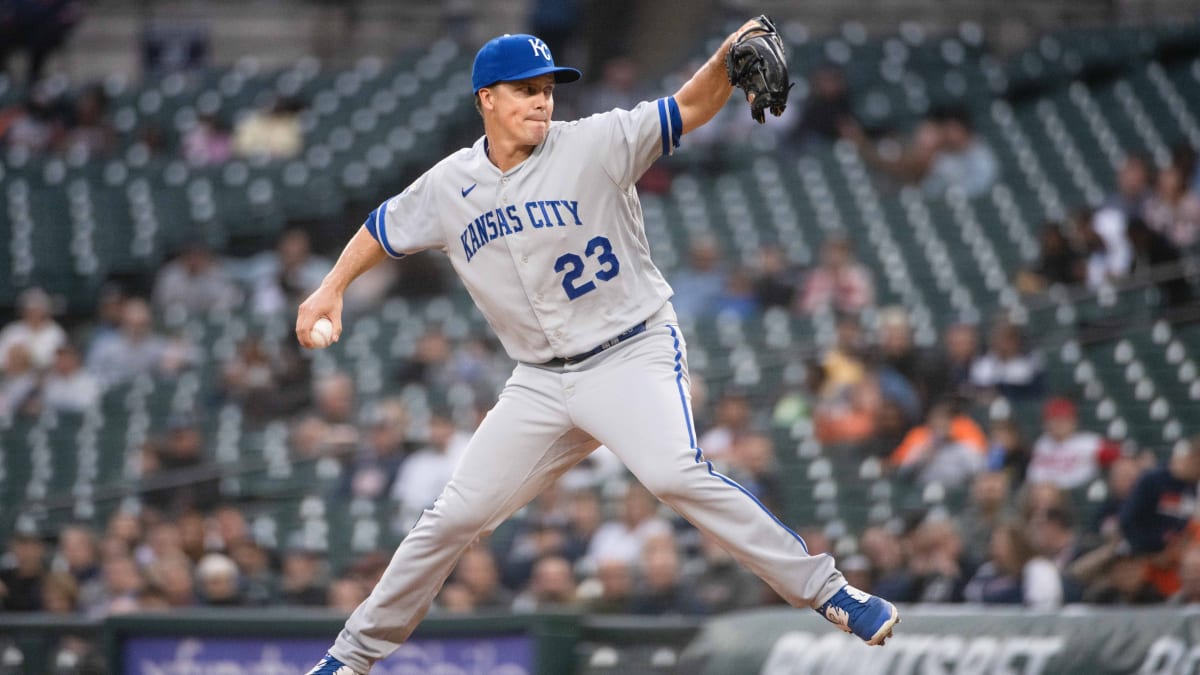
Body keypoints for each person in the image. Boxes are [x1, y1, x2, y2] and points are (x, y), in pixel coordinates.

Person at [299, 25, 899, 675]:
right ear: (486, 100)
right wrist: (328, 289)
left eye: (548, 89)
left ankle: (830, 591)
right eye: (524, 90)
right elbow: (382, 227)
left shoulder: (594, 142)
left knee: (674, 473)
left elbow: (689, 107)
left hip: (629, 352)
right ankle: (349, 659)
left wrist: (727, 58)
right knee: (450, 519)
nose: (542, 101)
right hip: (538, 381)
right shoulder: (449, 185)